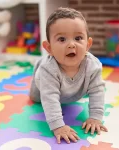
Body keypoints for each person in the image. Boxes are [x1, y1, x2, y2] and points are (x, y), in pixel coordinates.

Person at [30, 7, 108, 144]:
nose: (71, 44)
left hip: (74, 91)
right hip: (43, 84)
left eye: (78, 38)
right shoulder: (48, 70)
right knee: (36, 99)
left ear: (88, 44)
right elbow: (49, 99)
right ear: (49, 48)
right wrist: (58, 126)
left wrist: (95, 117)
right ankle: (39, 64)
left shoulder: (93, 66)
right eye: (61, 39)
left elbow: (97, 91)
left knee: (84, 92)